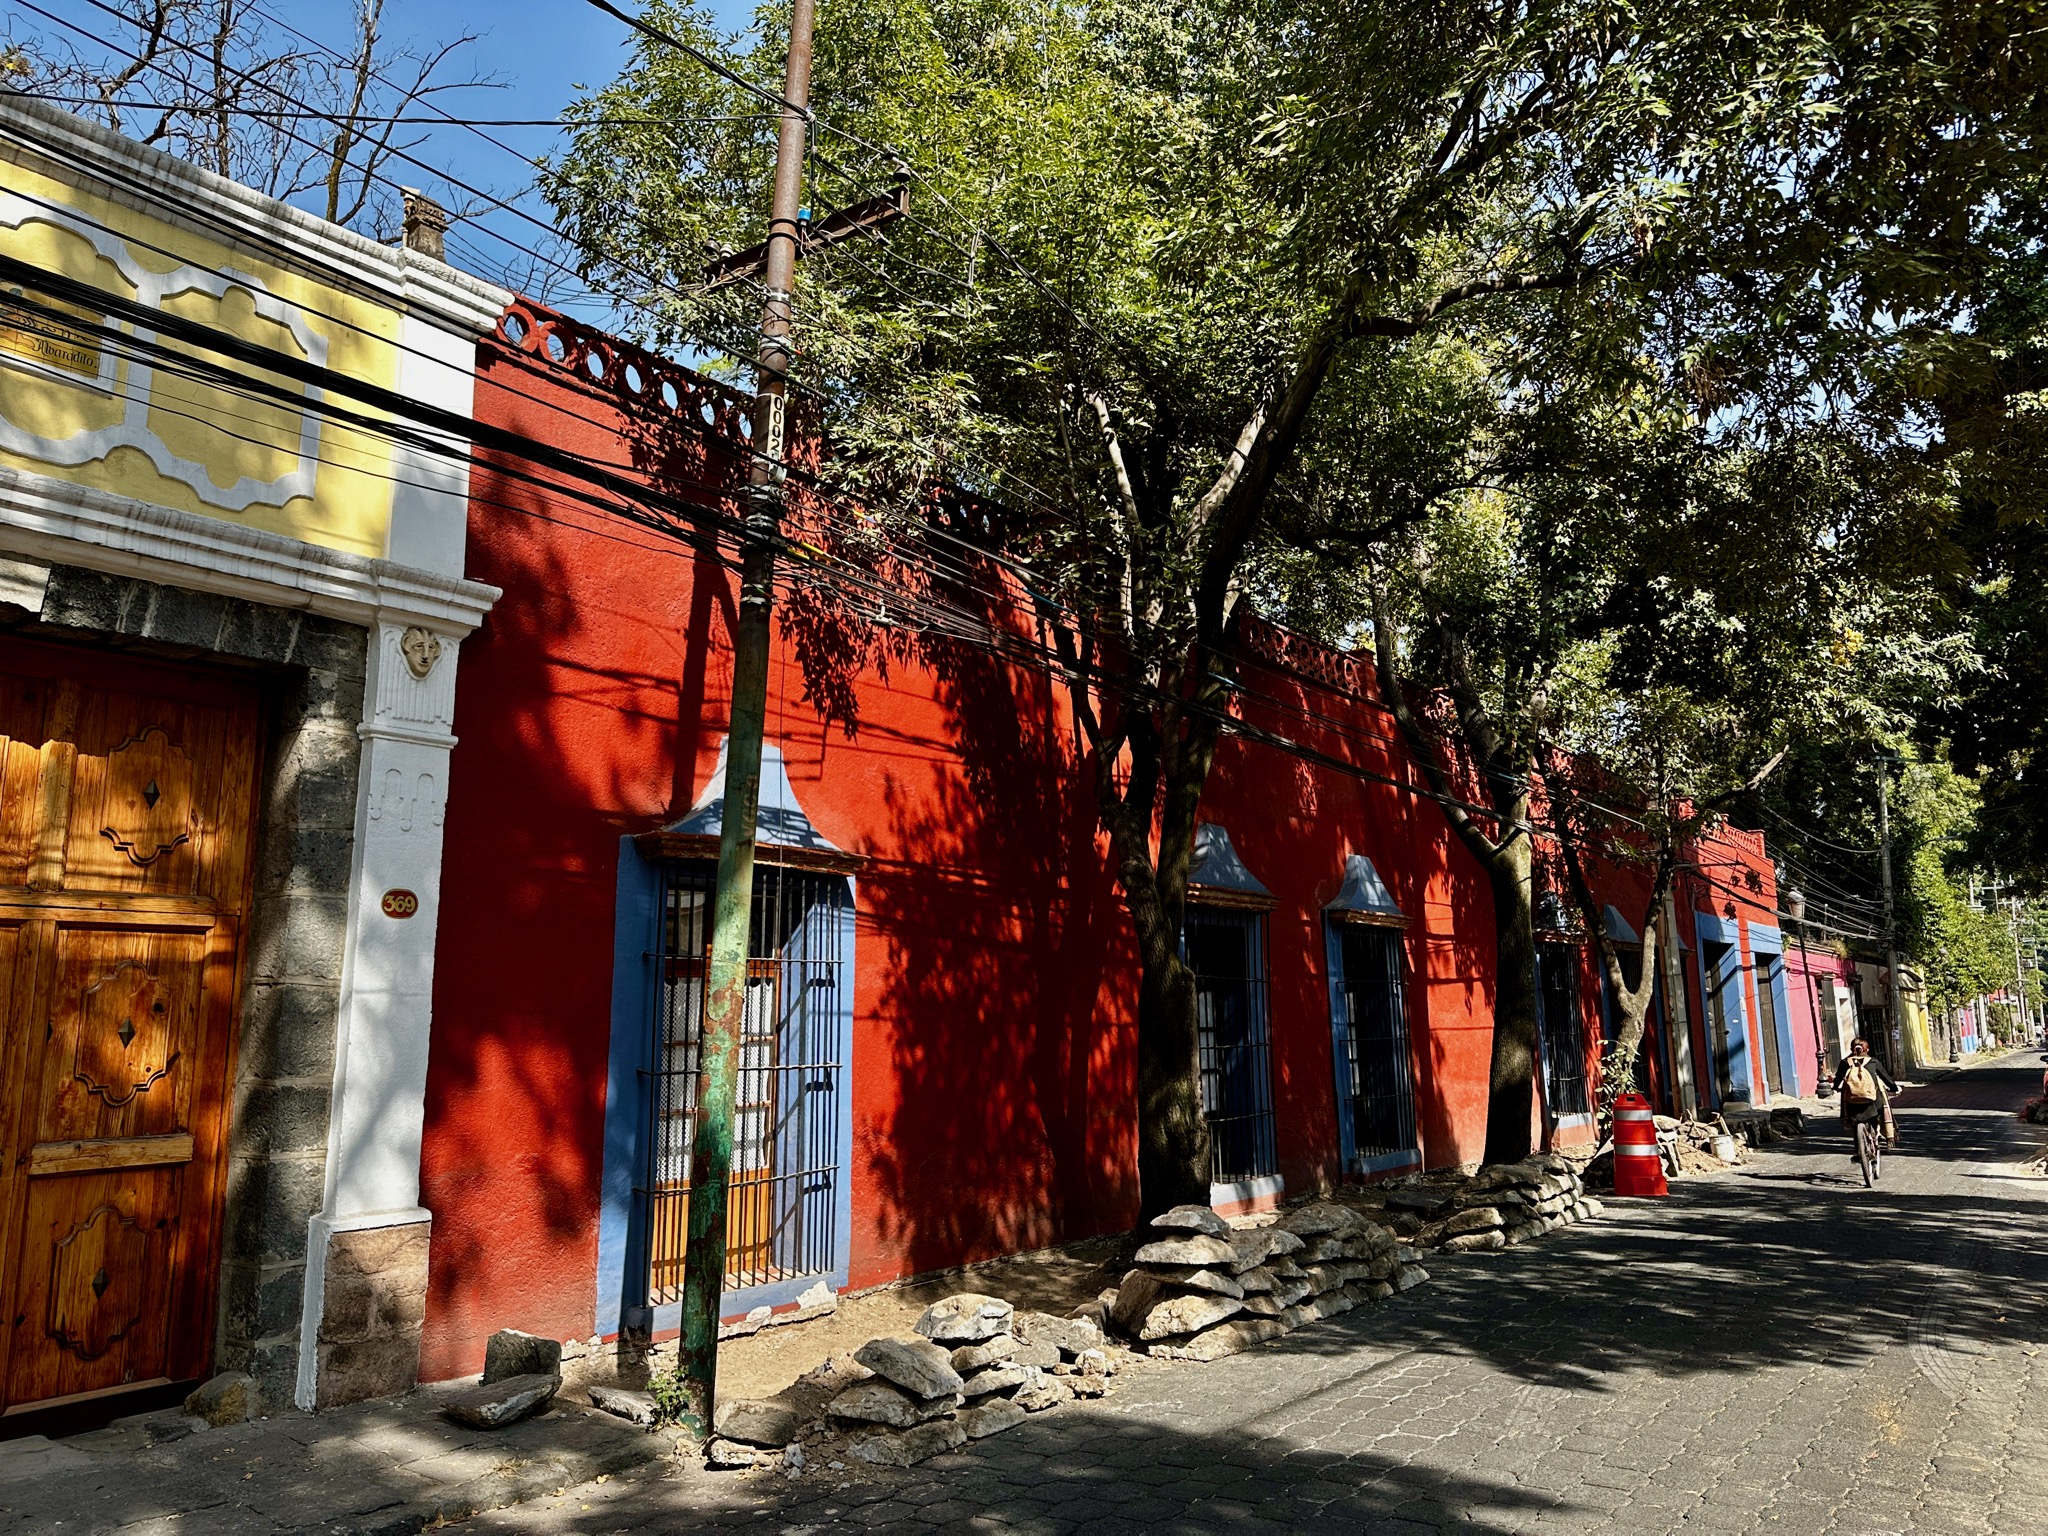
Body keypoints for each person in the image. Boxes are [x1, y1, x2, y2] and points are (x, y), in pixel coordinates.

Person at [1833, 1036, 1899, 1160]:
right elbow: (1886, 1078)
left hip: (1852, 1101)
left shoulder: (1845, 1062)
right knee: (1876, 1116)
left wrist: (1835, 1087)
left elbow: (1837, 1079)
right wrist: (1894, 1088)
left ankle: (1859, 1151)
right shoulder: (1873, 1062)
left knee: (1856, 1122)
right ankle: (1876, 1137)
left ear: (1851, 1049)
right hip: (1873, 1101)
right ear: (1866, 1049)